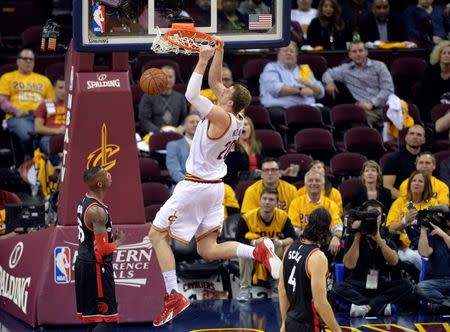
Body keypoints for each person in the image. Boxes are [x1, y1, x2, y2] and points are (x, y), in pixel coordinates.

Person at [148, 41, 281, 327]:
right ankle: (256, 250)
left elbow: (191, 93)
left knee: (156, 236)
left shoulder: (220, 116)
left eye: (226, 91)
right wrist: (218, 51)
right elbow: (215, 81)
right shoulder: (238, 115)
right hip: (214, 188)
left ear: (229, 101)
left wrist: (201, 59)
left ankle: (173, 295)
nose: (221, 89)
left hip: (195, 187)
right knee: (207, 249)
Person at [333, 199, 413, 318]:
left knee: (407, 285)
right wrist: (357, 237)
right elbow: (349, 265)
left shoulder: (386, 234)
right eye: (370, 215)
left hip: (379, 284)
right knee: (337, 288)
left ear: (382, 219)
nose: (374, 219)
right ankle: (379, 305)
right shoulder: (354, 235)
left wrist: (380, 241)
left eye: (377, 215)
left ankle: (366, 307)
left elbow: (394, 262)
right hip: (358, 283)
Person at [75, 166, 125, 331]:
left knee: (94, 319)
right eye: (106, 174)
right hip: (96, 268)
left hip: (85, 263)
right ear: (100, 183)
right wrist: (119, 242)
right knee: (108, 319)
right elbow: (103, 249)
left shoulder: (85, 200)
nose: (110, 175)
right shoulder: (97, 211)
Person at [279, 207, 342, 332]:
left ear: (308, 223)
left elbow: (282, 290)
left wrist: (284, 322)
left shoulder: (289, 247)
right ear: (327, 229)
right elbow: (320, 303)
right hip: (310, 324)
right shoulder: (318, 257)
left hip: (291, 321)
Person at [236, 187, 297, 301]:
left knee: (285, 250)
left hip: (274, 249)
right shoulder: (247, 217)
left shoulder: (282, 216)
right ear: (259, 200)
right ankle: (244, 289)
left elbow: (293, 237)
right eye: (264, 199)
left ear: (277, 203)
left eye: (271, 199)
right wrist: (255, 242)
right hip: (255, 250)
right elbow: (238, 238)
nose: (267, 202)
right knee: (243, 251)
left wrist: (280, 242)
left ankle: (278, 288)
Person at [0, 48, 55, 162]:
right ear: (17, 61)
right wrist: (15, 110)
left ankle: (49, 164)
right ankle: (29, 161)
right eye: (25, 59)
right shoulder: (7, 77)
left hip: (40, 117)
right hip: (18, 117)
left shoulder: (44, 80)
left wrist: (49, 117)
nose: (29, 61)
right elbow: (2, 100)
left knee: (50, 135)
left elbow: (51, 102)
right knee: (30, 133)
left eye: (31, 59)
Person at [322, 40, 395, 125]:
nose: (358, 54)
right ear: (350, 55)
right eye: (354, 51)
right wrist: (329, 82)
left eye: (360, 51)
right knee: (352, 118)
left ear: (366, 52)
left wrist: (372, 103)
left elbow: (388, 90)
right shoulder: (345, 70)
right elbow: (327, 73)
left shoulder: (379, 66)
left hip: (383, 107)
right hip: (363, 110)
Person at [259, 41, 325, 130]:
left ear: (296, 54)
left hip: (307, 107)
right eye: (285, 51)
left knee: (325, 112)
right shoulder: (271, 67)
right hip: (281, 108)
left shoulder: (303, 69)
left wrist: (311, 85)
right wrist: (300, 90)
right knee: (277, 115)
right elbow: (276, 89)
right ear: (278, 54)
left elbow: (321, 92)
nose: (289, 53)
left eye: (292, 51)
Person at [386, 170, 438, 270]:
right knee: (416, 257)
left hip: (428, 244)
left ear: (426, 186)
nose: (416, 183)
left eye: (420, 181)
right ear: (409, 184)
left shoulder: (432, 203)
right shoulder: (400, 202)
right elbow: (390, 228)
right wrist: (404, 221)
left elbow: (438, 226)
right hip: (405, 247)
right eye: (414, 180)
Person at [288, 169, 343, 255]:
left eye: (317, 180)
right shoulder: (296, 203)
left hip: (324, 244)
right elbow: (294, 229)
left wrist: (336, 237)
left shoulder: (331, 204)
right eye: (310, 180)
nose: (314, 183)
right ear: (305, 184)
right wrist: (311, 238)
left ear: (322, 185)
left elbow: (337, 226)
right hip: (303, 242)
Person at [138, 65, 187, 136]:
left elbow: (185, 119)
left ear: (175, 79)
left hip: (175, 135)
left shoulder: (180, 98)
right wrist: (160, 132)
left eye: (171, 77)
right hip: (154, 135)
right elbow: (144, 121)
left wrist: (182, 127)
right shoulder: (148, 96)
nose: (168, 80)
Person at [416, 216, 450, 312]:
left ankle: (441, 304)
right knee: (421, 287)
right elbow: (424, 253)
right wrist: (423, 230)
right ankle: (445, 302)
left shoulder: (442, 234)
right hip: (436, 281)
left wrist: (443, 234)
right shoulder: (434, 237)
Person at [383, 125, 426, 198]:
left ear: (424, 140)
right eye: (411, 134)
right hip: (402, 201)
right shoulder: (393, 159)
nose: (415, 137)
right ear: (406, 137)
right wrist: (408, 201)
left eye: (419, 135)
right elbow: (387, 186)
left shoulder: (428, 160)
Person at [224, 115, 264, 188]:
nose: (243, 127)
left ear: (251, 128)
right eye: (241, 125)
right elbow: (231, 173)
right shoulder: (233, 147)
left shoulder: (258, 145)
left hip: (259, 179)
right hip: (241, 181)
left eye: (245, 124)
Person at [415, 41, 450, 123]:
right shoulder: (430, 72)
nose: (447, 55)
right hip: (431, 109)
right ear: (439, 56)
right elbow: (423, 97)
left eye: (449, 53)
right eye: (444, 53)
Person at [34, 77, 66, 166]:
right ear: (53, 89)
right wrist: (57, 131)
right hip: (50, 137)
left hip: (69, 137)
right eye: (60, 88)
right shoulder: (45, 104)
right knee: (47, 145)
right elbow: (38, 128)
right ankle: (60, 167)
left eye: (66, 88)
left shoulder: (74, 104)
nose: (63, 91)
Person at [166, 113, 201, 184]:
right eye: (191, 122)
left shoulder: (207, 145)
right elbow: (175, 172)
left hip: (207, 186)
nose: (195, 124)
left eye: (198, 122)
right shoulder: (173, 145)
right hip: (184, 187)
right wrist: (192, 184)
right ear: (184, 126)